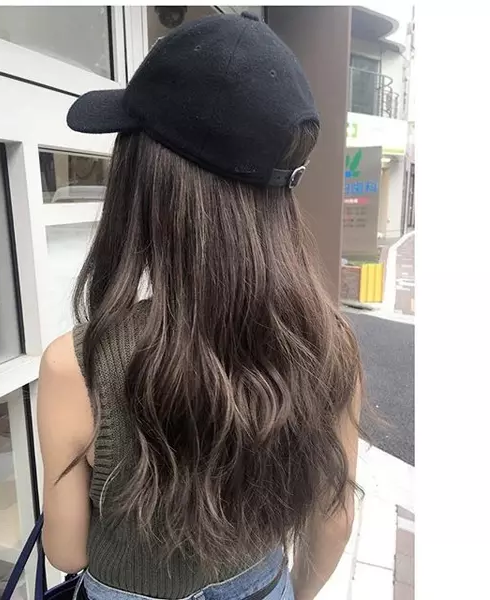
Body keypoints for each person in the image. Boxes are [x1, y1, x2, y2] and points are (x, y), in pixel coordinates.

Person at [37, 11, 363, 600]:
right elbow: (333, 520)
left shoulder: (77, 365)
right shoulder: (328, 346)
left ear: (145, 188)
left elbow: (67, 552)